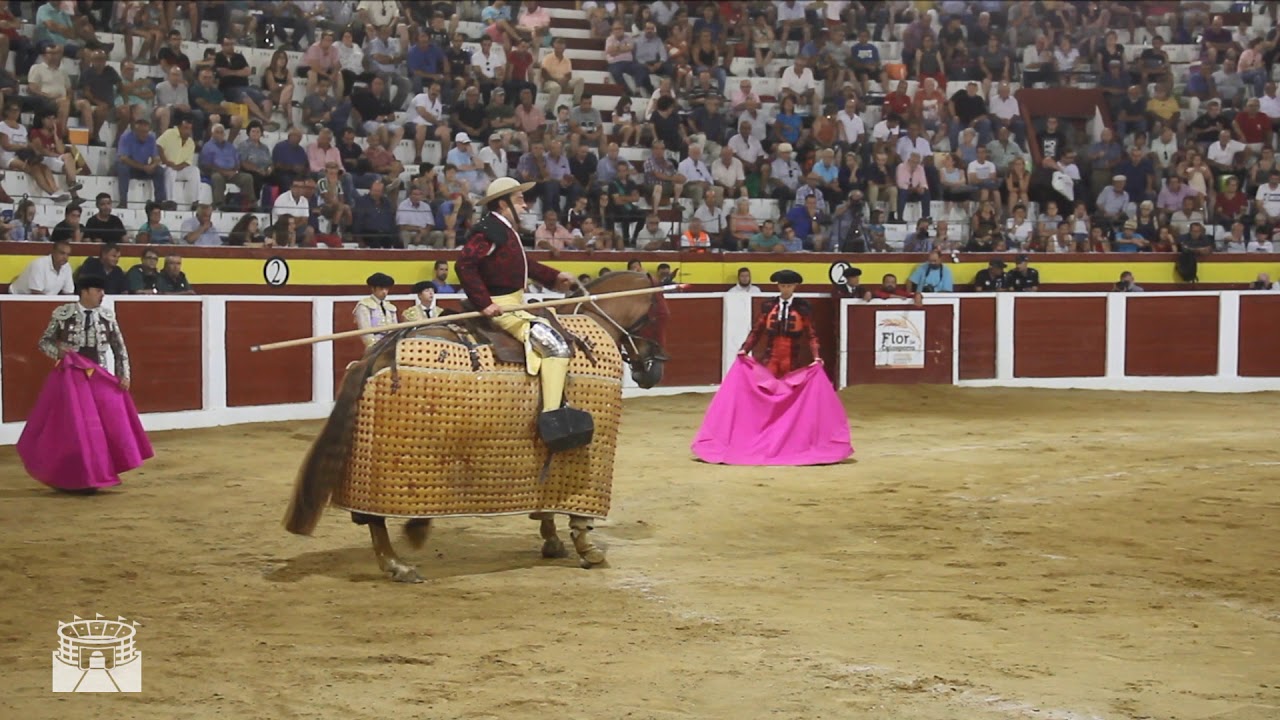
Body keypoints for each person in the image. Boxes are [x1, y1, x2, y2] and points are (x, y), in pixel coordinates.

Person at [455, 176, 586, 451]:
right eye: (519, 200)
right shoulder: (490, 230)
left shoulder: (503, 230)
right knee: (554, 346)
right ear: (503, 204)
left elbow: (524, 265)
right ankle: (552, 420)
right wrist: (484, 303)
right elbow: (465, 264)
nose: (525, 206)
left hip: (513, 303)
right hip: (503, 306)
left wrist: (554, 277)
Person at [20, 272, 151, 494]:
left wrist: (124, 375)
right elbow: (44, 342)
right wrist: (60, 354)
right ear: (85, 292)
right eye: (98, 290)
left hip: (98, 379)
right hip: (70, 380)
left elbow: (119, 349)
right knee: (72, 429)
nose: (102, 294)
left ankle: (95, 474)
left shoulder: (107, 317)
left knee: (98, 428)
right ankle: (69, 475)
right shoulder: (63, 314)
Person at [738, 270, 822, 378]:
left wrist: (816, 356)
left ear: (794, 286)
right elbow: (756, 331)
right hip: (771, 358)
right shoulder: (769, 306)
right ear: (778, 286)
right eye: (783, 286)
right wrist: (745, 349)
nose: (786, 289)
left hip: (792, 360)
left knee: (790, 385)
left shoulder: (802, 308)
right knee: (766, 383)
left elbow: (811, 336)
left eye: (789, 286)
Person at [354, 272, 398, 348]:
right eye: (381, 289)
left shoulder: (389, 306)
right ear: (373, 289)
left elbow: (395, 328)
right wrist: (373, 346)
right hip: (376, 343)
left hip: (391, 343)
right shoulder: (364, 305)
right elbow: (365, 329)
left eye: (386, 289)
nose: (384, 292)